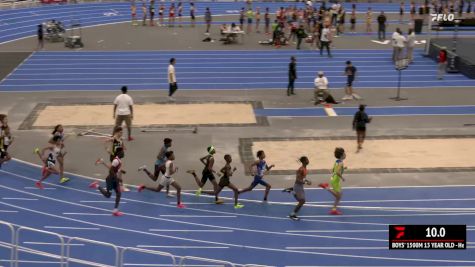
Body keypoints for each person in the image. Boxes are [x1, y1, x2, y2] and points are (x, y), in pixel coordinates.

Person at [90, 148, 126, 216]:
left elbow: (113, 169)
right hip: (110, 180)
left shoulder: (118, 160)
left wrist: (120, 170)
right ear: (119, 153)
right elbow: (111, 171)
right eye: (122, 152)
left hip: (114, 179)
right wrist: (117, 178)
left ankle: (115, 211)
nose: (124, 153)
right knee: (108, 195)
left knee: (119, 194)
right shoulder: (116, 161)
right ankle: (96, 185)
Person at [318, 147, 346, 215]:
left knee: (339, 195)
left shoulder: (337, 161)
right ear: (342, 155)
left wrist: (343, 168)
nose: (345, 154)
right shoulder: (341, 163)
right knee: (338, 196)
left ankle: (334, 208)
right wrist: (342, 178)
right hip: (336, 180)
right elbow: (338, 172)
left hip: (333, 179)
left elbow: (335, 169)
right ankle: (333, 210)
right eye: (344, 153)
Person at [283, 156, 311, 221]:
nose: (308, 161)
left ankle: (291, 190)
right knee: (302, 201)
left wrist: (307, 181)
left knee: (301, 201)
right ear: (304, 161)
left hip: (300, 186)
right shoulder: (301, 169)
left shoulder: (305, 169)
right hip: (298, 186)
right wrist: (306, 183)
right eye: (307, 160)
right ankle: (292, 215)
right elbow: (298, 180)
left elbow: (302, 178)